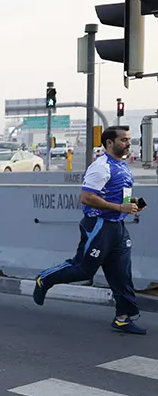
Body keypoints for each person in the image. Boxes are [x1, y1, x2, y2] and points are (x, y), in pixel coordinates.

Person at [34, 126, 146, 334]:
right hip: (99, 225)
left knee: (122, 274)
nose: (128, 144)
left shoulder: (122, 166)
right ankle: (45, 279)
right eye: (123, 140)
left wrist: (133, 203)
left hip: (118, 227)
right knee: (83, 270)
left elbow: (118, 196)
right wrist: (119, 207)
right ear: (109, 143)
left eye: (129, 140)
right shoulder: (100, 167)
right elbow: (87, 198)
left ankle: (123, 317)